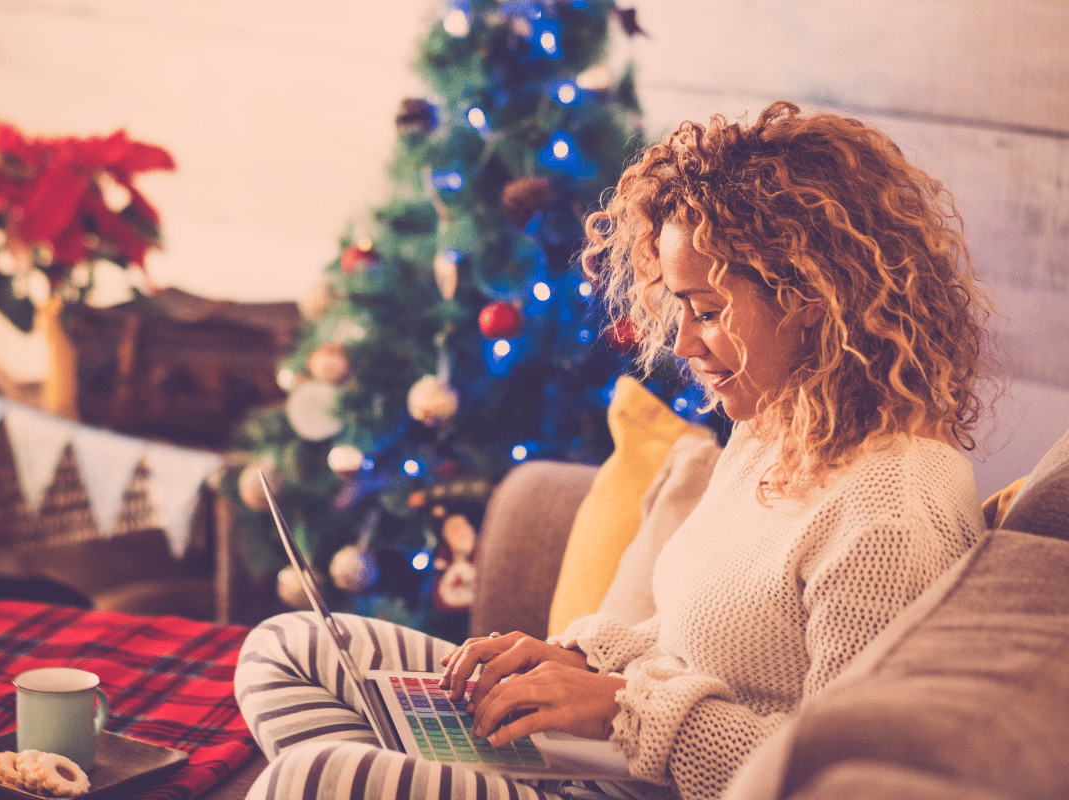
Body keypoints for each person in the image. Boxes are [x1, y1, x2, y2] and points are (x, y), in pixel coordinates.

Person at [233, 101, 992, 800]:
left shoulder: (889, 515)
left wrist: (619, 709)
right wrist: (583, 660)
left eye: (707, 310)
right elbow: (708, 643)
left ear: (811, 300)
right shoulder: (779, 424)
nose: (683, 344)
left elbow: (828, 774)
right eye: (680, 308)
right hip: (610, 758)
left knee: (315, 776)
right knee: (288, 648)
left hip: (644, 784)